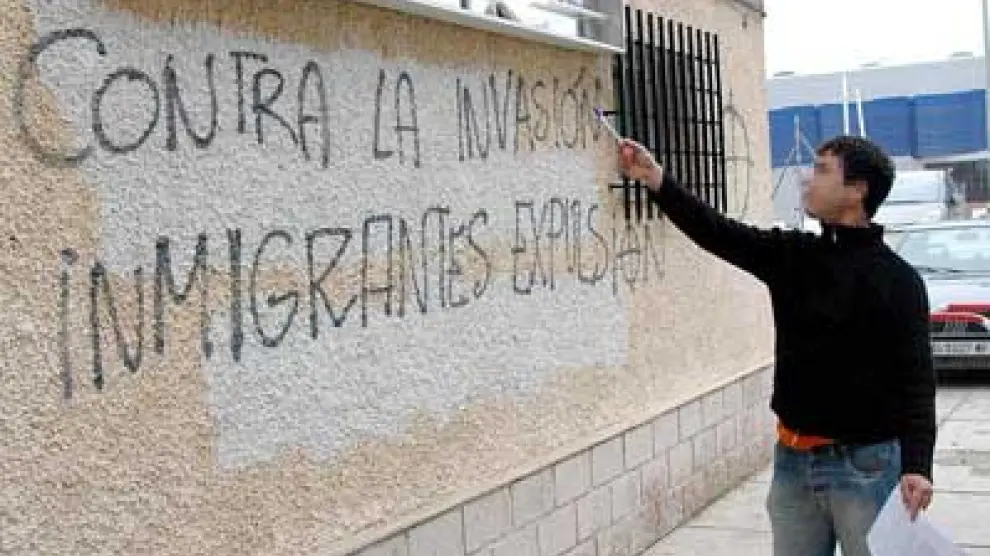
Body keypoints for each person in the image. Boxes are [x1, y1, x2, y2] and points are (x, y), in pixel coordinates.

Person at [615, 135, 936, 556]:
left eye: (822, 170)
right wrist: (656, 179)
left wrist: (917, 466)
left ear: (857, 190)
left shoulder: (899, 280)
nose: (807, 178)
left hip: (866, 468)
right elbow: (719, 233)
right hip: (793, 463)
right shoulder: (793, 256)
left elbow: (917, 379)